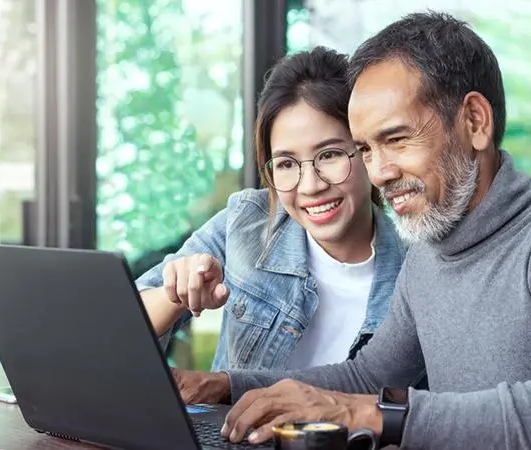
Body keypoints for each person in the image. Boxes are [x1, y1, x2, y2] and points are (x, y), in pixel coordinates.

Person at [172, 12, 531, 450]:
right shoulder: (430, 251)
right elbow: (367, 376)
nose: (379, 173)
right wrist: (225, 385)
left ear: (474, 121)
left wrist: (361, 413)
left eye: (396, 140)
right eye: (365, 149)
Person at [136, 46, 407, 375]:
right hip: (233, 427)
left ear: (366, 151)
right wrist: (176, 294)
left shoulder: (414, 270)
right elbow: (120, 327)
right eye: (286, 163)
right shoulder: (248, 222)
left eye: (330, 155)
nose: (309, 186)